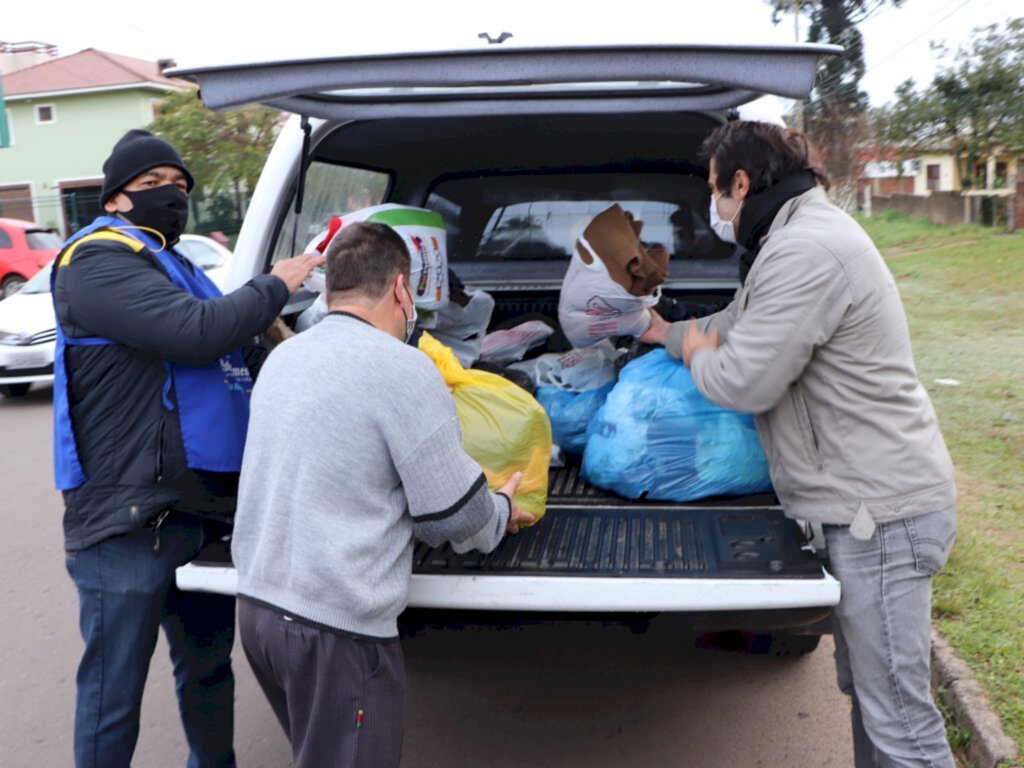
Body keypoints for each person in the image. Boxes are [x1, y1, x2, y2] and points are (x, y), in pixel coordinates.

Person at [642, 120, 957, 768]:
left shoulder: (805, 249)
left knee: (901, 726)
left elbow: (744, 378)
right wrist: (661, 333)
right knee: (874, 705)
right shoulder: (792, 237)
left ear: (741, 181)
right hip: (864, 510)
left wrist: (699, 357)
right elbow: (736, 324)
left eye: (716, 193)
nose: (717, 210)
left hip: (882, 517)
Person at [52, 129, 323, 768]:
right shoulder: (94, 261)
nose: (171, 197)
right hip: (126, 516)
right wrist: (275, 285)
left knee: (206, 672)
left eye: (179, 186)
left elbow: (241, 349)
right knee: (111, 694)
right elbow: (196, 333)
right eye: (152, 186)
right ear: (114, 198)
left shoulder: (178, 265)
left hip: (199, 509)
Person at [231, 221, 535, 768]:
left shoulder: (284, 358)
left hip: (258, 612)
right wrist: (502, 509)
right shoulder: (403, 368)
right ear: (401, 289)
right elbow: (455, 519)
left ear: (331, 291)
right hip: (334, 633)